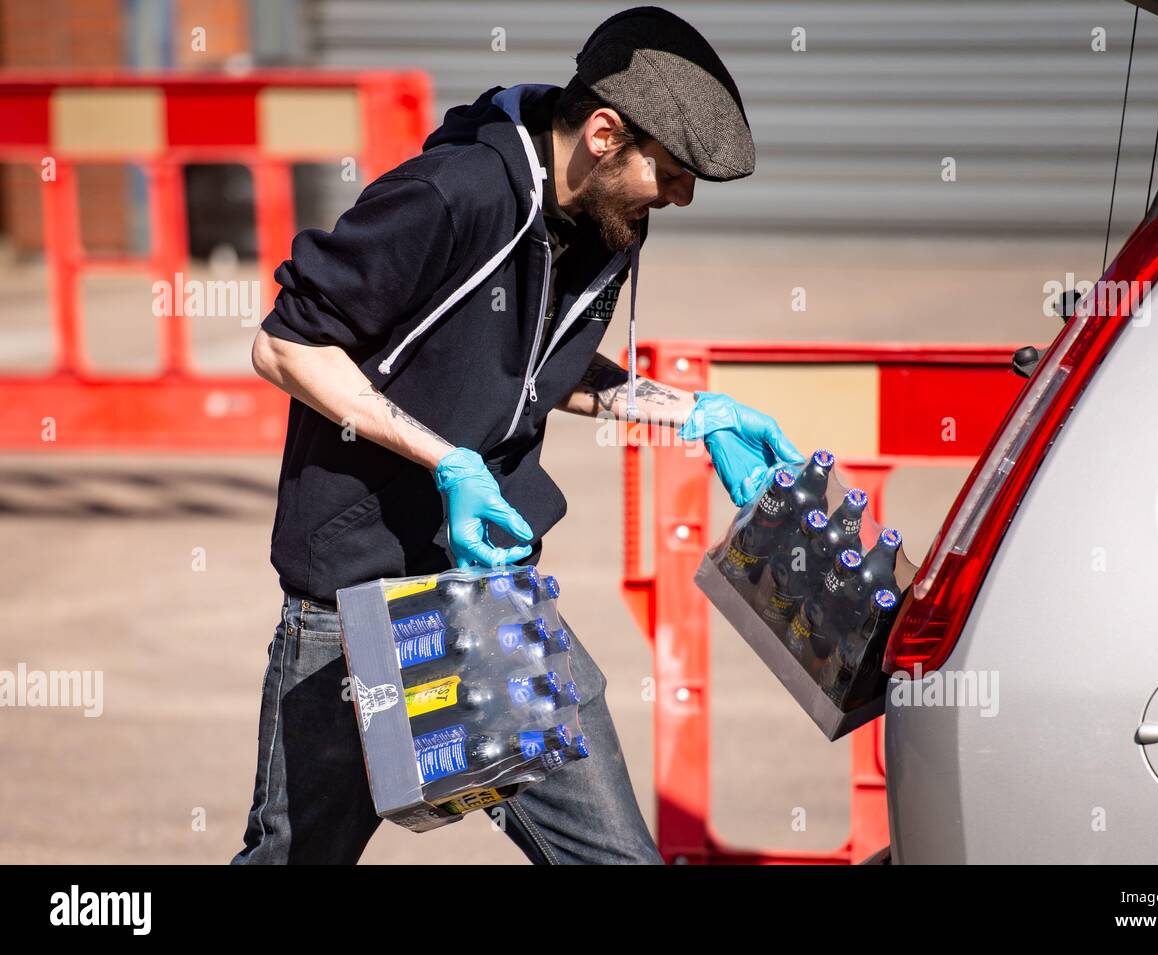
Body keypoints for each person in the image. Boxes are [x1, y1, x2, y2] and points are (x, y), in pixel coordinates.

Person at [232, 5, 801, 865]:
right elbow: (286, 342)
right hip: (354, 599)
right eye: (675, 173)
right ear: (606, 133)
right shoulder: (449, 194)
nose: (680, 198)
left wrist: (691, 412)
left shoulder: (608, 222)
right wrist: (447, 460)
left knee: (613, 860)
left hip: (491, 596)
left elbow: (541, 361)